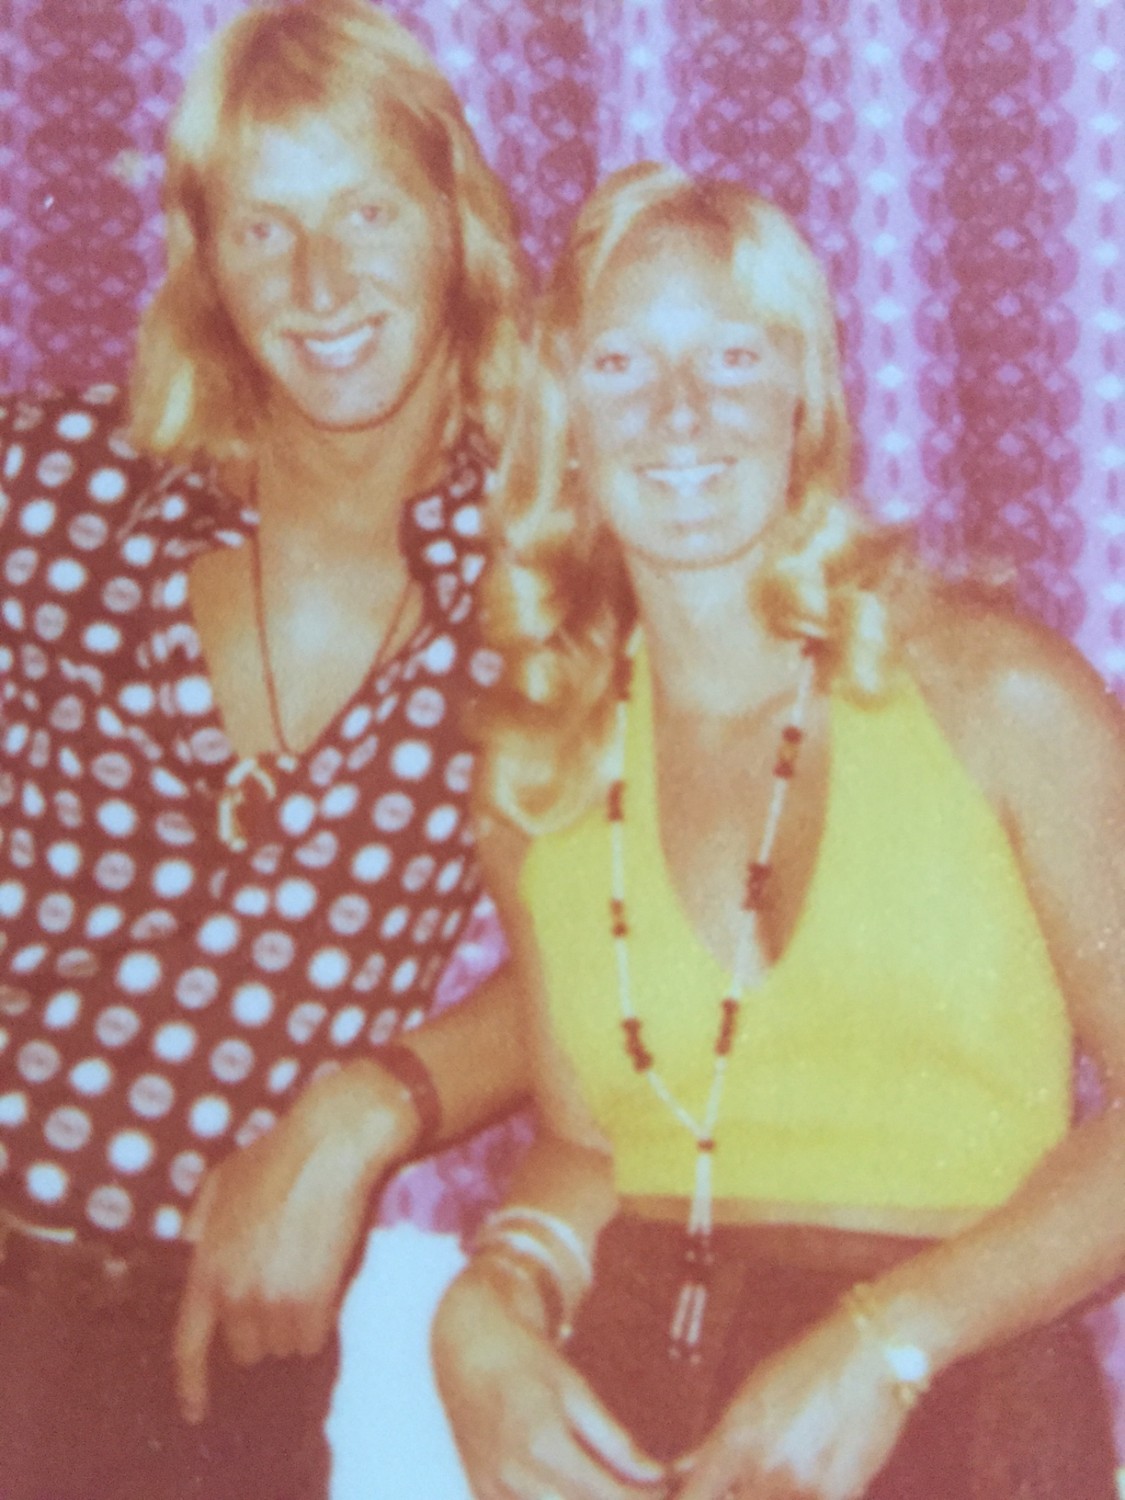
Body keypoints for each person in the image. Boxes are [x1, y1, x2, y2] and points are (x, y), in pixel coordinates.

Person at [430, 161, 1125, 1500]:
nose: (680, 412)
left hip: (952, 1394)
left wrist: (885, 1344)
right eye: (622, 365)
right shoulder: (540, 770)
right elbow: (593, 1147)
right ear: (564, 413)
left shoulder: (998, 696)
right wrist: (488, 1301)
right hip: (637, 1419)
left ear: (805, 397)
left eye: (733, 357)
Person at [0, 2, 532, 1496]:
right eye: (262, 227)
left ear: (455, 221)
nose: (319, 283)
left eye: (367, 211)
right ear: (204, 264)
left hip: (207, 1349)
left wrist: (362, 1109)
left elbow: (611, 973)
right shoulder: (47, 485)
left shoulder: (542, 589)